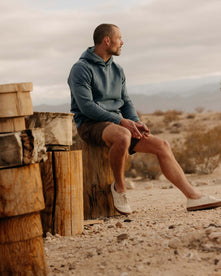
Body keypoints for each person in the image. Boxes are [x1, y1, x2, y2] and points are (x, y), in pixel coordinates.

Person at [68, 23, 221, 215]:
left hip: (116, 124)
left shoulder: (117, 70)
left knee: (162, 145)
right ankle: (120, 188)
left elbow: (126, 101)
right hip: (90, 125)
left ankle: (193, 197)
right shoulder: (81, 69)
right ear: (107, 40)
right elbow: (86, 107)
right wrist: (123, 122)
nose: (122, 42)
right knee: (123, 135)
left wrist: (135, 122)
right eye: (119, 38)